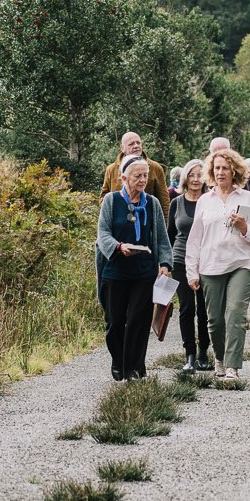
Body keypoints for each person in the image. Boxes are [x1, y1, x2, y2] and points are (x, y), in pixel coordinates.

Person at [186, 147, 250, 379]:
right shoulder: (204, 201)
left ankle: (232, 366)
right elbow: (194, 240)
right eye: (217, 168)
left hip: (242, 263)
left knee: (235, 314)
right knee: (215, 320)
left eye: (225, 168)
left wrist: (244, 227)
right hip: (211, 266)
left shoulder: (249, 199)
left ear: (235, 171)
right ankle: (219, 357)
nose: (220, 172)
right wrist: (192, 271)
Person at [96, 155, 172, 381]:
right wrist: (119, 247)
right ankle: (119, 360)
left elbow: (160, 238)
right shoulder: (111, 201)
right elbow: (103, 234)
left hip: (144, 271)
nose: (142, 180)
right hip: (115, 271)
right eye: (137, 176)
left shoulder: (152, 203)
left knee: (139, 321)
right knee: (115, 322)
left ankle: (135, 369)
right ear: (123, 178)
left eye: (145, 176)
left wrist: (166, 264)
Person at [165, 159, 213, 373]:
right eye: (192, 175)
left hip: (206, 260)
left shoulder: (211, 201)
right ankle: (190, 355)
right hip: (180, 260)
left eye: (200, 174)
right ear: (185, 177)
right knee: (187, 308)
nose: (196, 179)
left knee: (204, 309)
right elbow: (170, 235)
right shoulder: (176, 203)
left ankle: (204, 351)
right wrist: (164, 263)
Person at [100, 130, 169, 202]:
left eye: (138, 143)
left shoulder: (155, 168)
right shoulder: (111, 169)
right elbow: (103, 196)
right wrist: (111, 208)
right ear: (122, 148)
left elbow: (164, 199)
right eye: (131, 144)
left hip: (145, 212)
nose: (136, 146)